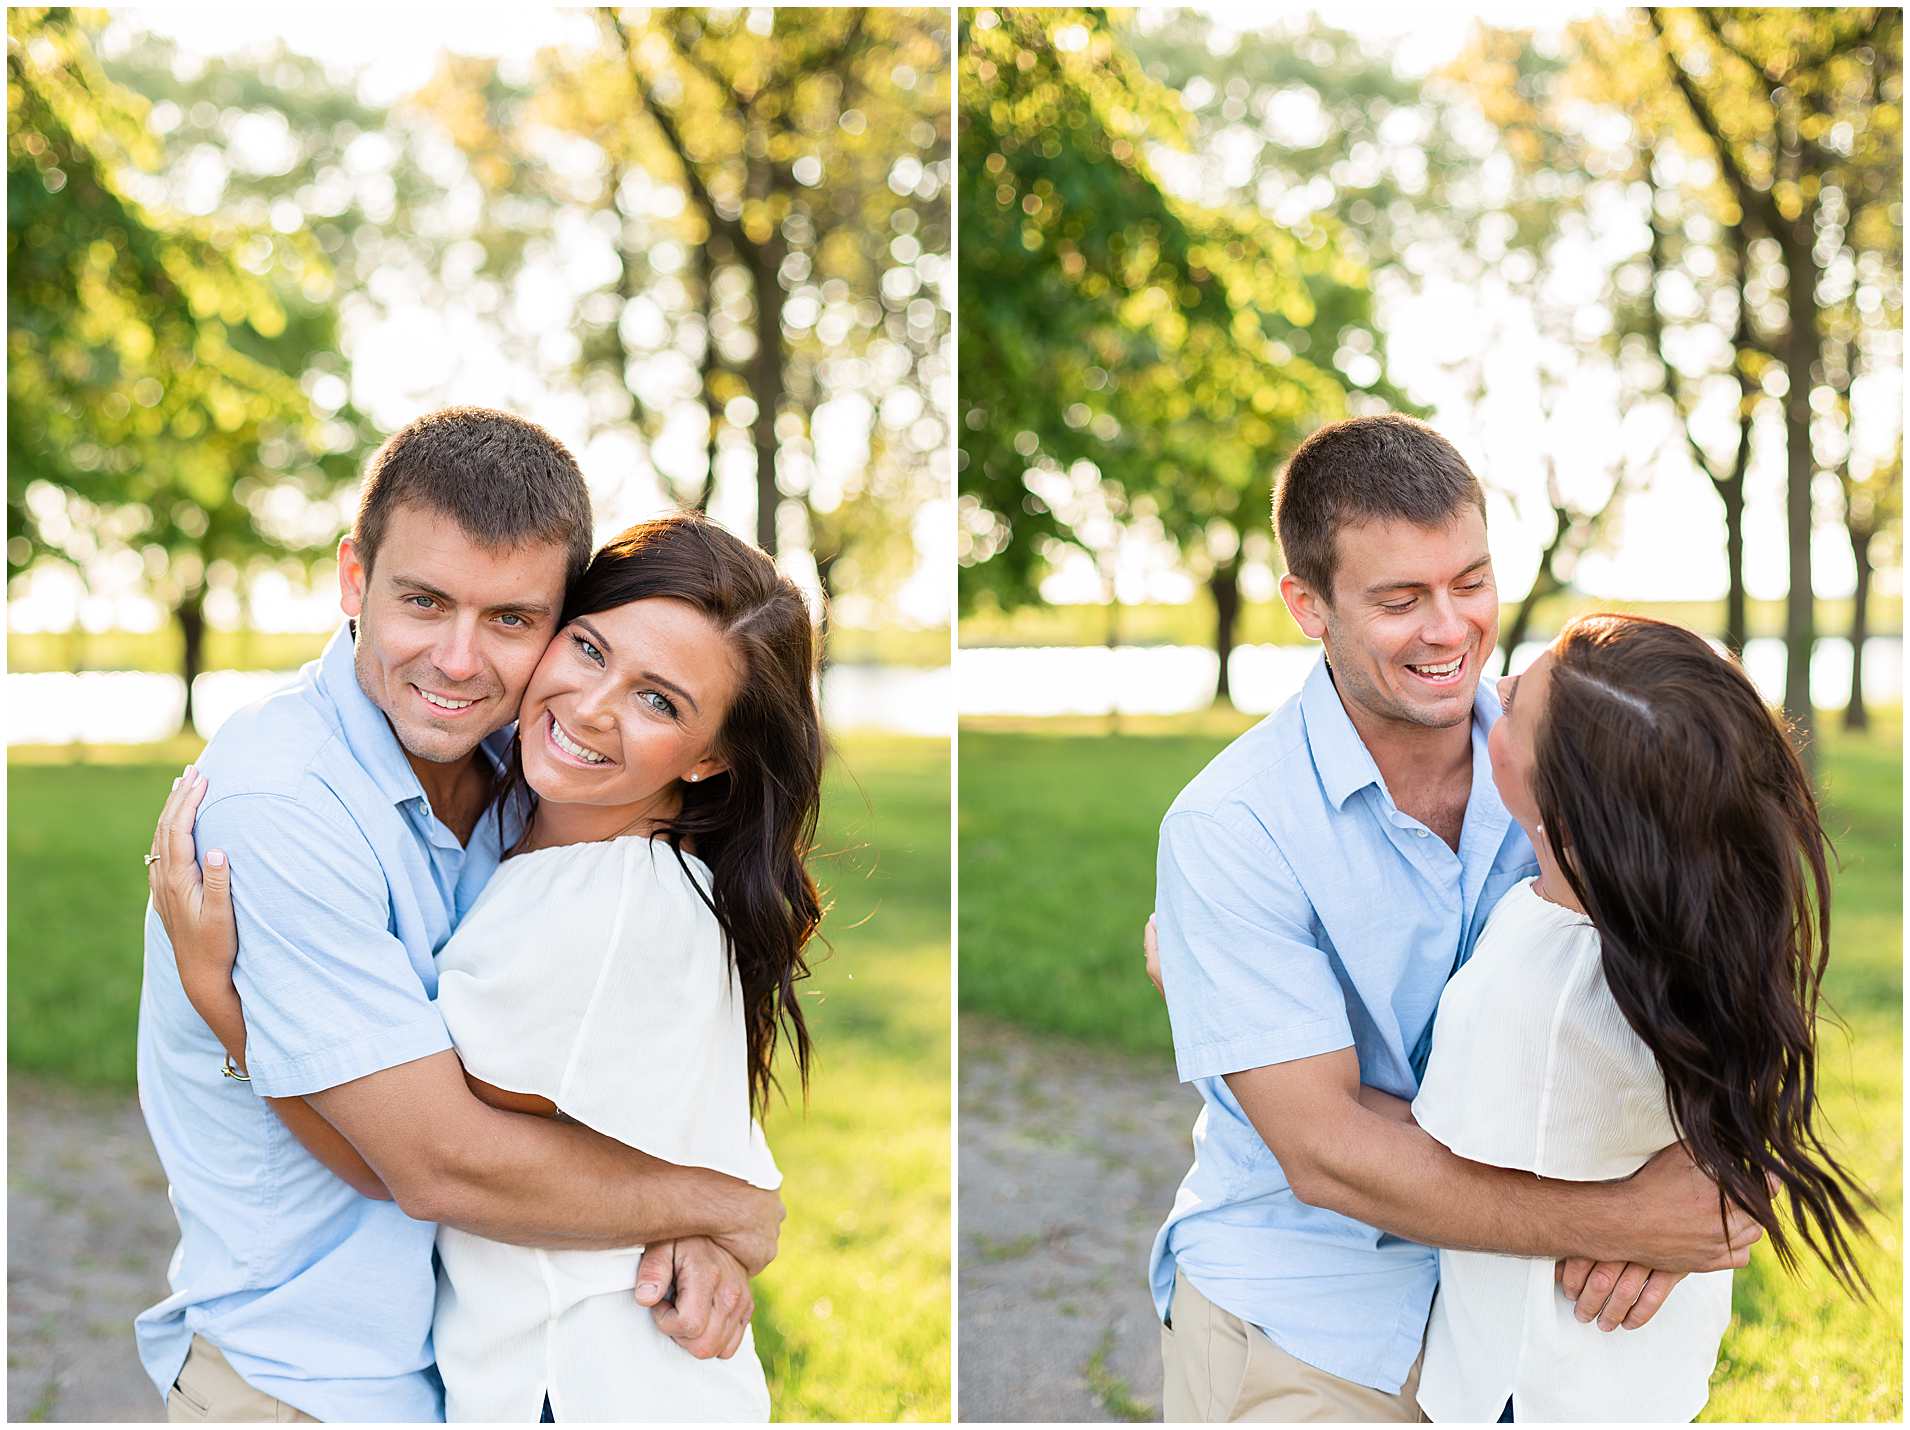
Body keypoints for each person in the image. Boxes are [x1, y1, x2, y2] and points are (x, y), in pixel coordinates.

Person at [138, 410, 781, 1423]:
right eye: (423, 601)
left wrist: (689, 1221)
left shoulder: (536, 782)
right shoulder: (276, 806)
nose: (456, 659)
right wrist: (727, 1207)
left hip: (509, 1380)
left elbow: (611, 1084)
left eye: (512, 619)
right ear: (355, 580)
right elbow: (433, 1155)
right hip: (307, 1383)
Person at [1142, 414, 1761, 1423]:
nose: (1448, 629)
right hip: (1309, 1317)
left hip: (1534, 1329)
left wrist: (1717, 1155)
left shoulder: (1573, 758)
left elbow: (1730, 944)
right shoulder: (1229, 828)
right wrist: (1633, 1216)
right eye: (1397, 599)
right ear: (1308, 604)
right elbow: (1324, 1147)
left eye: (1468, 581)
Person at [1407, 614, 1870, 1421]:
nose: (1498, 687)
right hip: (1643, 1382)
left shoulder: (1543, 990)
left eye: (1517, 706)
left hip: (1527, 1392)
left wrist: (1227, 978)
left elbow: (1415, 1147)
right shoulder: (1690, 943)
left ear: (1552, 795)